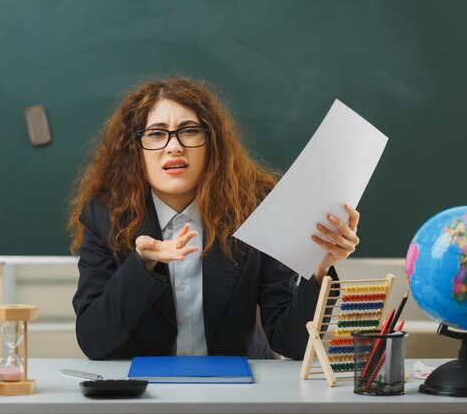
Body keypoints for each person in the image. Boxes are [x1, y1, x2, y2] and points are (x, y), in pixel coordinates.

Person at [67, 77, 359, 360]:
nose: (174, 146)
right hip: (147, 395)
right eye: (156, 133)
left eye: (189, 130)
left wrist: (320, 268)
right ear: (136, 149)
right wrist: (141, 264)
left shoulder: (254, 208)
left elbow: (292, 343)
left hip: (242, 392)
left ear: (211, 143)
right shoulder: (105, 215)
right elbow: (94, 341)